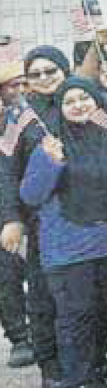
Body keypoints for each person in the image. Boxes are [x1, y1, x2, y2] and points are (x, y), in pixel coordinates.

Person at [18, 77, 107, 388]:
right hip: (69, 248)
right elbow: (30, 196)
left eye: (85, 97)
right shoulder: (49, 142)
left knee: (105, 313)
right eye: (69, 100)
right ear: (59, 107)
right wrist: (48, 162)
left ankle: (94, 369)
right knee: (76, 318)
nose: (79, 105)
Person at [0, 46, 75, 388]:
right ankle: (52, 365)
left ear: (65, 70)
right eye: (36, 74)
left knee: (83, 297)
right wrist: (12, 219)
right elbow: (7, 173)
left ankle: (87, 360)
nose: (44, 79)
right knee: (45, 297)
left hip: (84, 218)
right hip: (41, 222)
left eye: (51, 71)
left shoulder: (84, 101)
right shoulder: (20, 118)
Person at [0, 61, 33, 370]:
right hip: (5, 211)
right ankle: (19, 337)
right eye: (13, 86)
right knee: (6, 275)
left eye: (25, 83)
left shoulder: (37, 117)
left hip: (35, 206)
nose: (20, 91)